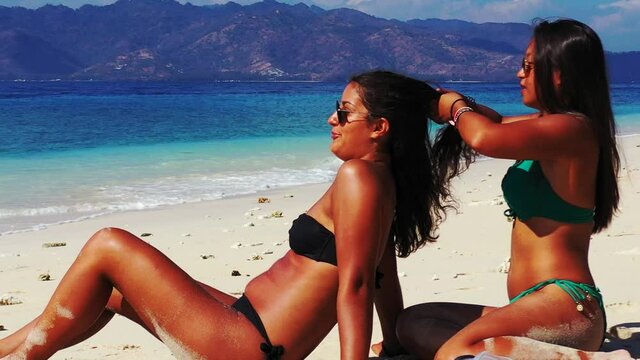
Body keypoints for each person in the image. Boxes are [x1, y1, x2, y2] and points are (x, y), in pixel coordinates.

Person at [0, 70, 451, 360]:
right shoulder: (380, 183)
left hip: (247, 345)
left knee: (108, 244)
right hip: (245, 322)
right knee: (112, 291)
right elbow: (381, 276)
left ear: (378, 128)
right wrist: (393, 346)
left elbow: (355, 284)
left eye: (343, 111)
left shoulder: (360, 177)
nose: (331, 119)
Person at [392, 19, 633, 360]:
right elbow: (495, 123)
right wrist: (439, 101)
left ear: (559, 73)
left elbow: (484, 138)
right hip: (531, 306)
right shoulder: (548, 125)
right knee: (414, 322)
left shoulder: (574, 128)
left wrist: (457, 108)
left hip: (565, 304)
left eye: (528, 66)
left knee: (455, 349)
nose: (519, 74)